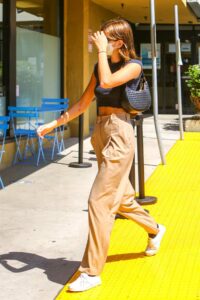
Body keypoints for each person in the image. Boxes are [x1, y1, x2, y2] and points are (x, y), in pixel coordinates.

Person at [37, 17, 166, 293]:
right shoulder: (100, 65)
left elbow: (107, 82)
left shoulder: (133, 66)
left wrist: (99, 50)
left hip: (120, 133)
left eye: (106, 37)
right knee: (123, 199)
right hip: (101, 133)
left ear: (119, 42)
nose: (99, 40)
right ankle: (155, 229)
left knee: (98, 200)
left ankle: (92, 271)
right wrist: (54, 123)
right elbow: (85, 102)